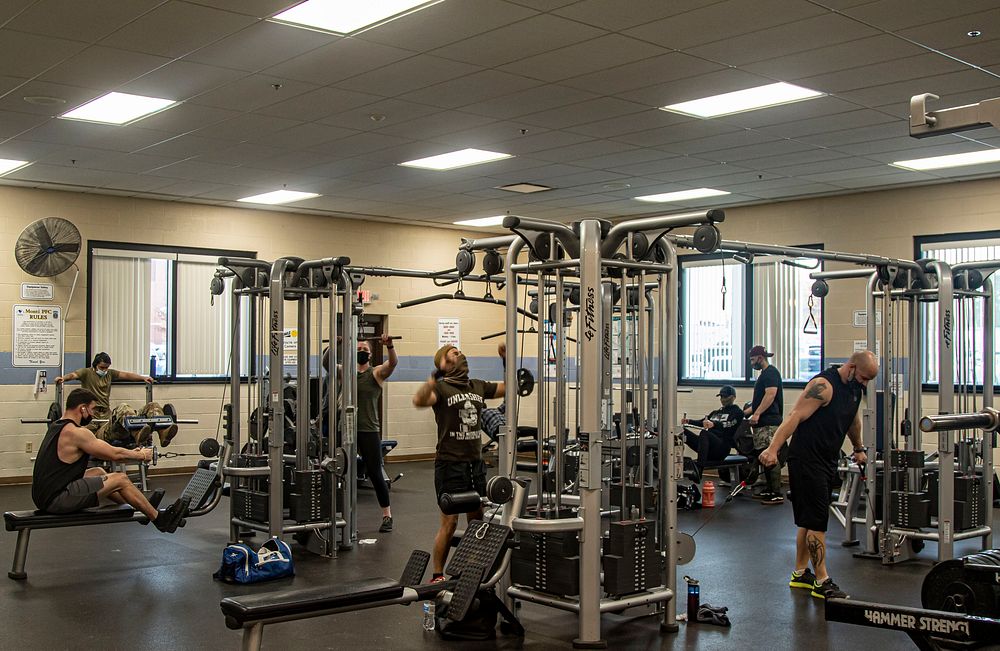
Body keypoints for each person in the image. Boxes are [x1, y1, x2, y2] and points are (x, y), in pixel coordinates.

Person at [759, 351, 878, 600]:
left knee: (809, 519)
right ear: (852, 367)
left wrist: (858, 447)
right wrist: (773, 448)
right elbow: (795, 416)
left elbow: (852, 419)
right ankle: (822, 580)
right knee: (817, 521)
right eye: (864, 378)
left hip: (826, 459)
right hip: (805, 459)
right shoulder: (823, 385)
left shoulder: (855, 389)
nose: (865, 384)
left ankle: (801, 573)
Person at [31, 388, 189, 532]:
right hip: (57, 500)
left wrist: (131, 452)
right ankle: (160, 520)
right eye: (92, 409)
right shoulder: (76, 432)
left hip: (45, 496)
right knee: (120, 479)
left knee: (99, 472)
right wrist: (141, 455)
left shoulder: (57, 426)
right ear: (83, 408)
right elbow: (114, 454)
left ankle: (138, 507)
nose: (92, 414)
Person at [413, 343, 505, 582]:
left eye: (459, 351)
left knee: (477, 521)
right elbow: (419, 400)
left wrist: (506, 360)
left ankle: (472, 569)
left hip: (474, 463)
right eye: (453, 352)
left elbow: (512, 387)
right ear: (444, 362)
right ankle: (437, 575)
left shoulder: (478, 385)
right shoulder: (442, 388)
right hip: (449, 463)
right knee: (450, 522)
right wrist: (435, 376)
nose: (459, 353)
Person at [54, 352, 174, 447]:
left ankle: (163, 432)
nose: (105, 370)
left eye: (107, 368)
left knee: (152, 406)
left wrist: (143, 378)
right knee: (123, 408)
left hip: (107, 416)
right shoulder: (86, 373)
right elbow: (74, 375)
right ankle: (137, 432)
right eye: (102, 367)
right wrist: (63, 378)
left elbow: (126, 375)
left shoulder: (109, 374)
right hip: (95, 423)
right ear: (95, 365)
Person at [355, 334, 398, 533]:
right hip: (346, 430)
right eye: (358, 349)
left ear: (370, 355)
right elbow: (326, 363)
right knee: (338, 472)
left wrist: (389, 346)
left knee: (374, 472)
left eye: (365, 350)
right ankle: (337, 515)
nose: (361, 352)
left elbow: (392, 364)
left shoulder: (375, 374)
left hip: (369, 429)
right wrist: (335, 344)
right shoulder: (345, 373)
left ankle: (387, 515)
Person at [744, 345, 784, 504]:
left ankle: (776, 493)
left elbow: (770, 395)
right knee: (763, 455)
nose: (752, 363)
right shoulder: (764, 375)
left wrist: (758, 413)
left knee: (770, 455)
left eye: (753, 360)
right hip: (763, 422)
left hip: (769, 422)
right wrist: (746, 413)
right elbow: (760, 400)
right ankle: (769, 489)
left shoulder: (770, 373)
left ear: (760, 358)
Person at [681, 385, 744, 478]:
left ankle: (699, 469)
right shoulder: (716, 412)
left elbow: (729, 424)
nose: (723, 399)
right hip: (707, 447)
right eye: (721, 397)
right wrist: (689, 421)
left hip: (721, 448)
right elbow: (703, 422)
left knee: (705, 433)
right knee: (682, 431)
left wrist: (714, 424)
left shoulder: (737, 412)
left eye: (725, 397)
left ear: (733, 397)